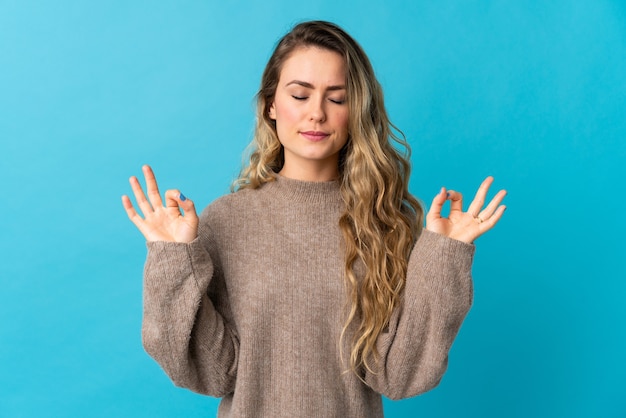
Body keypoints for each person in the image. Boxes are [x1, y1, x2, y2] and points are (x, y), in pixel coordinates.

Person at [122, 20, 506, 417]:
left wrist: (445, 256)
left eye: (336, 99)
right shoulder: (226, 221)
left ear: (356, 110)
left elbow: (399, 376)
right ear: (272, 104)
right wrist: (172, 257)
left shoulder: (386, 223)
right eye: (300, 95)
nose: (317, 114)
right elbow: (214, 373)